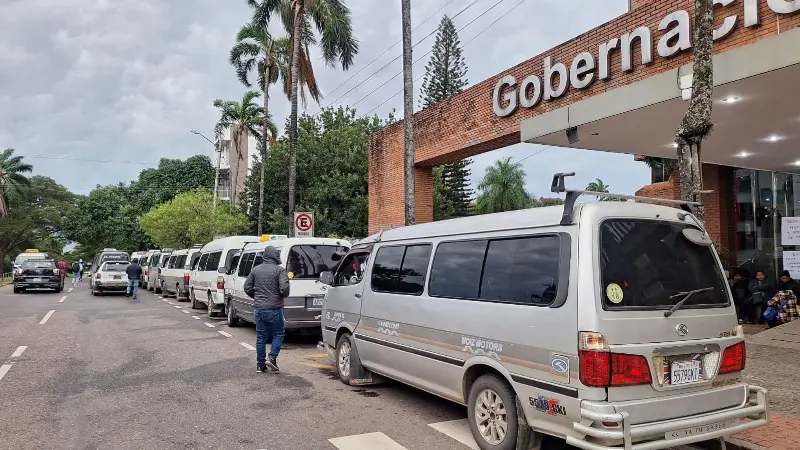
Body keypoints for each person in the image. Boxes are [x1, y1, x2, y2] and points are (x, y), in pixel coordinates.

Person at [244, 247, 290, 373]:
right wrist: (282, 295)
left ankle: (260, 365)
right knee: (278, 334)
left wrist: (257, 297)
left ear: (265, 256)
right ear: (275, 256)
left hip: (259, 309)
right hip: (275, 308)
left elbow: (247, 287)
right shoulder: (280, 270)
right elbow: (284, 288)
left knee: (261, 337)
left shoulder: (255, 269)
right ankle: (272, 358)